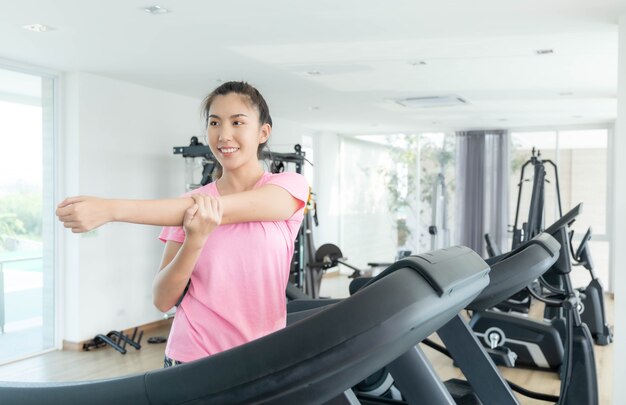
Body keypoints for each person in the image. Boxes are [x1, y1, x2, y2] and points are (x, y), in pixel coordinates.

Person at [56, 81, 310, 367]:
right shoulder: (186, 204)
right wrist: (195, 240)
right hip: (192, 357)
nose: (224, 135)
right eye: (215, 123)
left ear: (263, 132)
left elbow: (221, 211)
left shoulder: (290, 187)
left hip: (263, 356)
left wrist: (111, 209)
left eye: (237, 122)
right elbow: (163, 300)